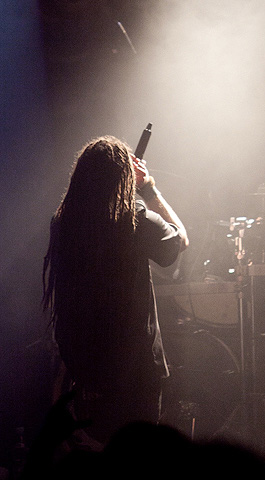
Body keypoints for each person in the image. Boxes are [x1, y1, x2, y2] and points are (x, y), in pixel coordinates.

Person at [42, 135, 189, 446]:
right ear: (123, 179)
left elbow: (68, 308)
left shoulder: (64, 223)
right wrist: (148, 188)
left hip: (89, 371)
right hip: (136, 370)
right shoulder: (135, 220)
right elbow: (180, 238)